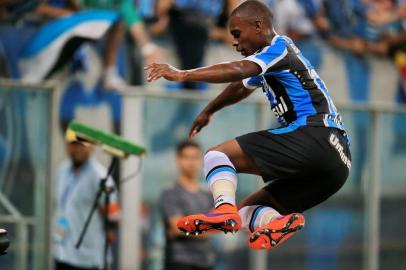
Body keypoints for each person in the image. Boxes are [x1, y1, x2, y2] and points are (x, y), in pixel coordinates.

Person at [146, 0, 351, 250]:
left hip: (316, 135)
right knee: (244, 213)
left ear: (257, 26)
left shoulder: (279, 46)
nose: (234, 42)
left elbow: (238, 70)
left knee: (216, 156)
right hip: (337, 166)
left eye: (237, 33)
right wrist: (210, 110)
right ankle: (275, 222)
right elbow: (241, 86)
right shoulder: (273, 57)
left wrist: (183, 74)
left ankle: (222, 210)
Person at [53, 135, 119, 270]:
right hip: (63, 252)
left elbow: (113, 215)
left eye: (81, 145)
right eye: (73, 144)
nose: (77, 149)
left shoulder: (99, 176)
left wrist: (110, 229)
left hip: (88, 258)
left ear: (91, 148)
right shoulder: (62, 170)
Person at [159, 140, 214, 270]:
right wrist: (210, 225)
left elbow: (222, 223)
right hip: (179, 262)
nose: (191, 162)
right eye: (186, 157)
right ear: (178, 160)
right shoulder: (170, 192)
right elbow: (178, 227)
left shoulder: (208, 194)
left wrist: (191, 226)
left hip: (206, 262)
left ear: (201, 161)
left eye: (195, 157)